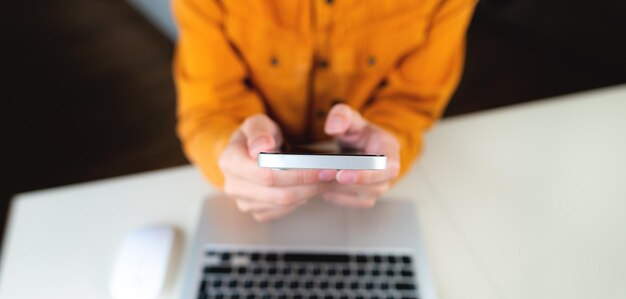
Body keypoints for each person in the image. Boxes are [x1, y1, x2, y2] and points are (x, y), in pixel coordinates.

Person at [173, 0, 476, 221]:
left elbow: (412, 103)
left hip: (368, 206)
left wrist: (390, 139)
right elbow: (208, 110)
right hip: (248, 212)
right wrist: (230, 156)